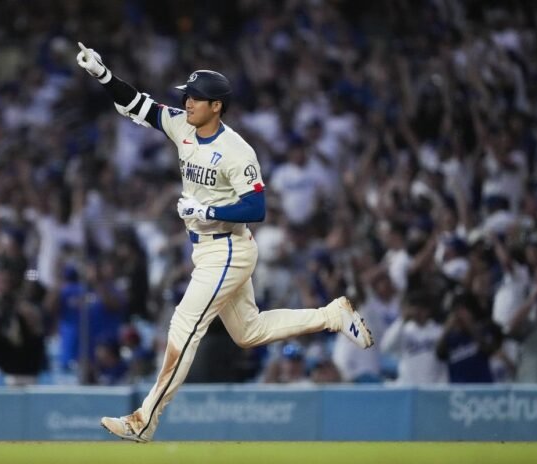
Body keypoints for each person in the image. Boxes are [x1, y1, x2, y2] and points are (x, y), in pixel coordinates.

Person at [76, 43, 373, 443]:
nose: (187, 101)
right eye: (187, 95)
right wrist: (103, 75)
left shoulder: (236, 149)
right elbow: (141, 106)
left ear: (216, 105)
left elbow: (257, 206)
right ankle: (333, 315)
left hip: (229, 247)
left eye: (195, 97)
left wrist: (210, 212)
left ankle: (144, 420)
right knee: (248, 332)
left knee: (183, 325)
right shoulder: (183, 124)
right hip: (206, 247)